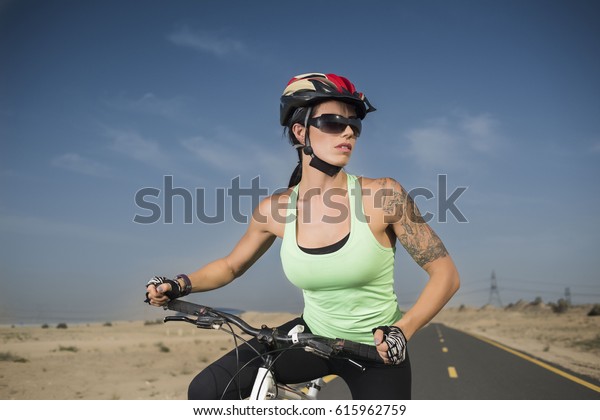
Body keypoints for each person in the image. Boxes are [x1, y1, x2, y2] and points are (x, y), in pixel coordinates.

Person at [145, 73, 460, 400]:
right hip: (310, 340)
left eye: (354, 124)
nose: (349, 131)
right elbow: (230, 266)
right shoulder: (275, 210)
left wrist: (401, 333)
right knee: (207, 389)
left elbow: (446, 276)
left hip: (377, 350)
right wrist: (179, 284)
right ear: (300, 131)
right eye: (333, 122)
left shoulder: (383, 196)